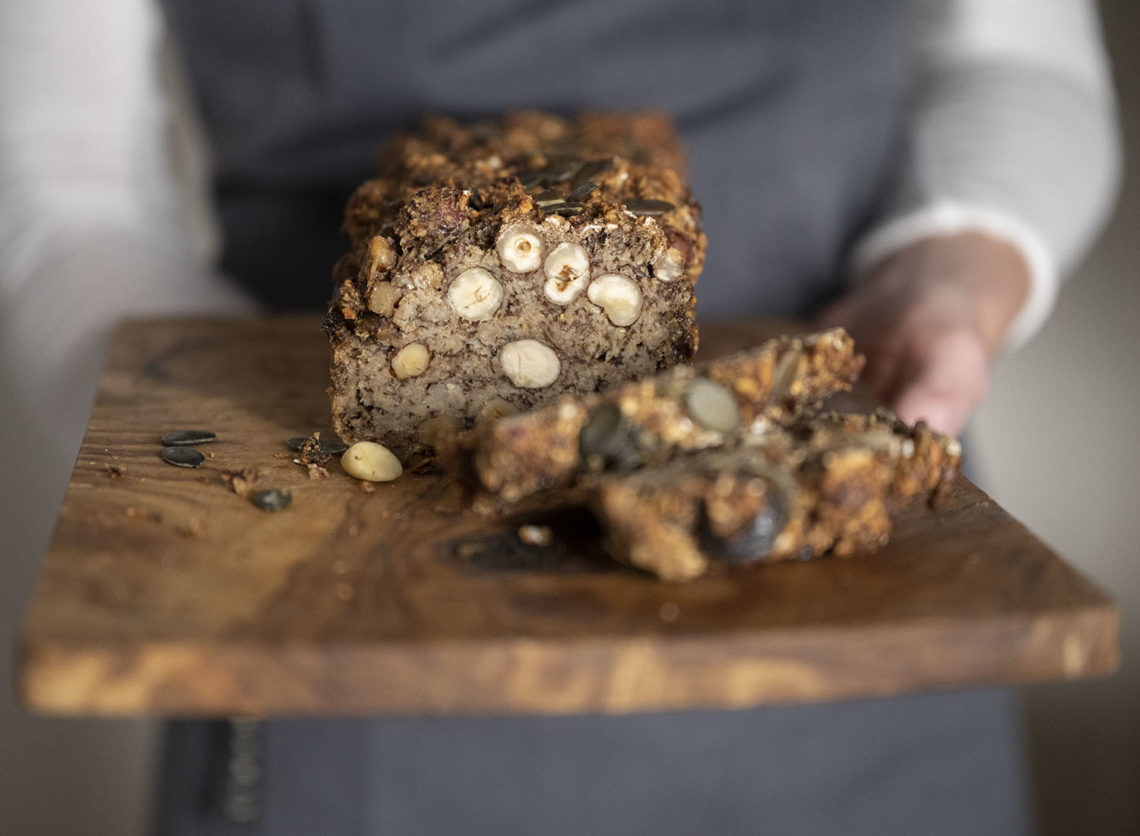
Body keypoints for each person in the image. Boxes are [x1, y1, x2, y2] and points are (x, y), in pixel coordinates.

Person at [0, 1, 1120, 834]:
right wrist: (225, 414)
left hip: (859, 646)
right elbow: (64, 183)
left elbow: (1020, 63)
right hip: (338, 664)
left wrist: (955, 274)